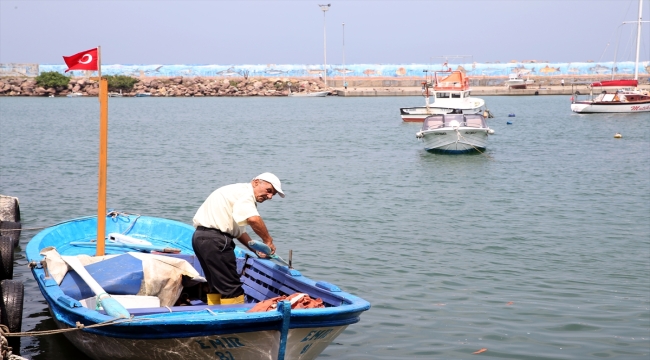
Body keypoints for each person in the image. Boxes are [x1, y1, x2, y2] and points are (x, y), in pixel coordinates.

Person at [192, 172, 285, 305]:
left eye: (273, 194)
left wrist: (255, 250)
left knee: (216, 285)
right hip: (217, 241)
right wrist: (268, 241)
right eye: (269, 191)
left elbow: (239, 232)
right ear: (256, 182)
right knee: (231, 288)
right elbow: (253, 219)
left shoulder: (235, 191)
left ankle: (218, 316)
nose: (269, 196)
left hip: (200, 238)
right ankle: (233, 320)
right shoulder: (246, 195)